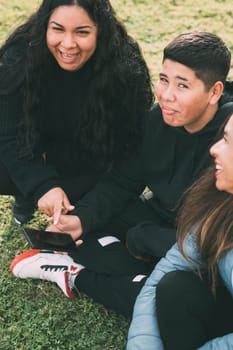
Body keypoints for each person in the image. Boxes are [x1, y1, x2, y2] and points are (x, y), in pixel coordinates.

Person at [10, 31, 233, 318]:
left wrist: (143, 239)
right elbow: (124, 181)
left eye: (182, 85)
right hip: (159, 216)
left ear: (214, 91)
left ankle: (78, 276)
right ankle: (133, 271)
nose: (166, 95)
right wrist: (80, 220)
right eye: (164, 80)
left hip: (203, 242)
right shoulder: (157, 118)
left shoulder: (229, 136)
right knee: (87, 234)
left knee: (172, 296)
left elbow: (216, 240)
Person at [0, 0, 153, 224]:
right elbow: (6, 133)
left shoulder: (124, 65)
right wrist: (41, 185)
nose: (68, 44)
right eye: (58, 29)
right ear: (45, 26)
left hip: (90, 157)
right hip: (34, 147)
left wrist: (91, 206)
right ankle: (25, 194)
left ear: (101, 30)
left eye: (82, 32)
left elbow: (130, 145)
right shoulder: (21, 54)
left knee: (106, 203)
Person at [127, 113, 233, 349]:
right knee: (174, 288)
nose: (214, 149)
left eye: (227, 141)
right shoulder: (221, 204)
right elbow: (170, 267)